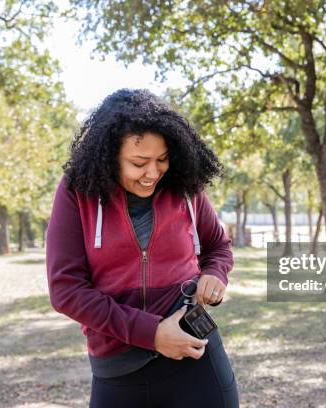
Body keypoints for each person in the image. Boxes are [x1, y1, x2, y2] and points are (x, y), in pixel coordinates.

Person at [46, 89, 239, 407]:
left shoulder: (185, 186)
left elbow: (218, 246)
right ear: (109, 157)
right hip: (118, 366)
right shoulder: (76, 192)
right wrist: (153, 334)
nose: (153, 173)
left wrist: (215, 273)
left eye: (162, 160)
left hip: (195, 354)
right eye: (139, 162)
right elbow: (66, 290)